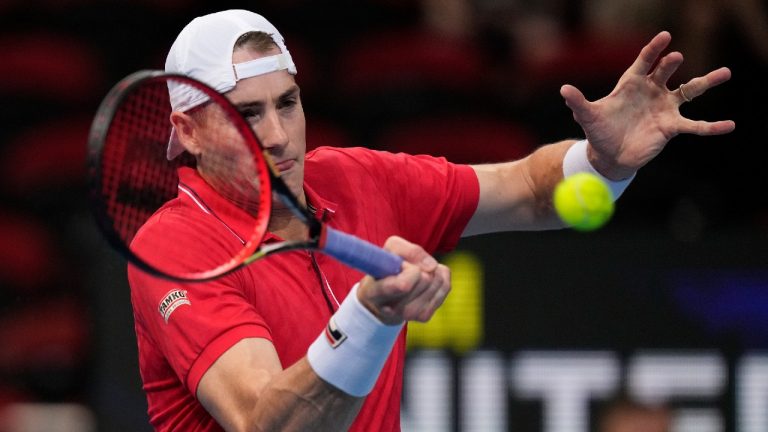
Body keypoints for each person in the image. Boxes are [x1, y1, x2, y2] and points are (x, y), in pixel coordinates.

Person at [126, 9, 734, 432]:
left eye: (287, 103)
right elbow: (265, 422)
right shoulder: (175, 247)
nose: (279, 136)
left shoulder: (356, 178)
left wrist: (602, 162)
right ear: (189, 131)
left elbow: (528, 190)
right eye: (247, 115)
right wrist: (368, 318)